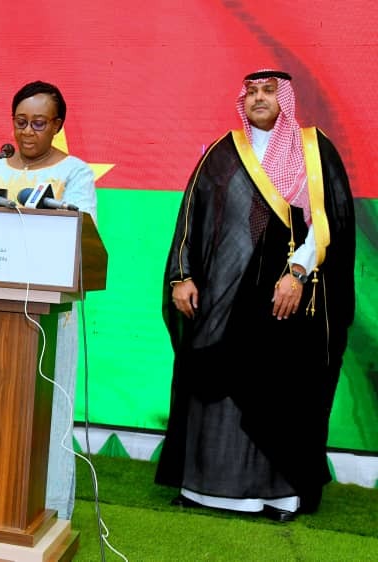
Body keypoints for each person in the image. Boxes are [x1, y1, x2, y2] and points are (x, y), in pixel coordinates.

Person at [156, 70, 356, 522]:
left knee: (280, 387)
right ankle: (205, 489)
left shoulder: (312, 148)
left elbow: (328, 220)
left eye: (268, 91)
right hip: (223, 294)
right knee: (212, 377)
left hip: (286, 294)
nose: (258, 98)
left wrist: (297, 273)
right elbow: (190, 216)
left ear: (285, 98)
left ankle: (279, 496)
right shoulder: (222, 152)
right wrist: (182, 276)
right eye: (251, 92)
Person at [0, 80, 98, 520]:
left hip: (50, 310)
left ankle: (49, 508)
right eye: (21, 122)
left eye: (39, 123)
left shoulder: (75, 173)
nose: (27, 132)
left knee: (47, 409)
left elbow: (82, 233)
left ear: (57, 125)